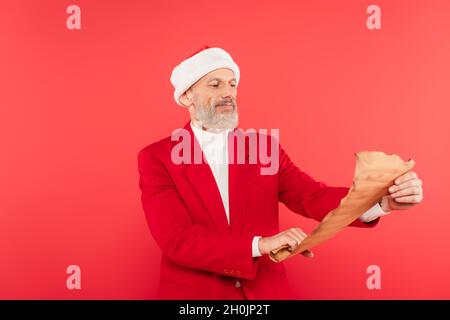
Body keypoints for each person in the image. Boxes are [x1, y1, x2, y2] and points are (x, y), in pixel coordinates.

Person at [137, 46, 423, 299]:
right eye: (214, 84)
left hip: (266, 291)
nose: (227, 93)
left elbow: (310, 196)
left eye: (232, 84)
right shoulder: (156, 158)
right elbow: (177, 239)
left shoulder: (264, 147)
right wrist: (260, 245)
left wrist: (379, 201)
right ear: (187, 96)